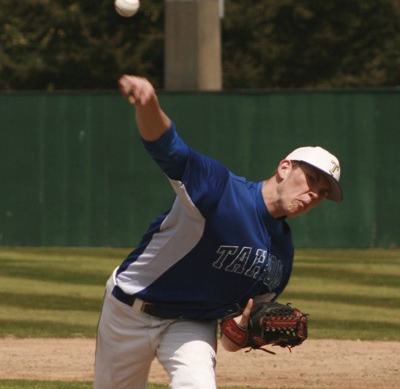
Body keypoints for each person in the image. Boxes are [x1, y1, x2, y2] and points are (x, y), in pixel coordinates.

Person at [94, 74, 343, 389]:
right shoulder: (220, 189)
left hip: (191, 324)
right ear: (284, 168)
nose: (314, 194)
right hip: (129, 310)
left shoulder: (281, 255)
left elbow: (231, 337)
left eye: (322, 193)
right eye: (311, 179)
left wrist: (242, 329)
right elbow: (168, 148)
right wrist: (149, 103)